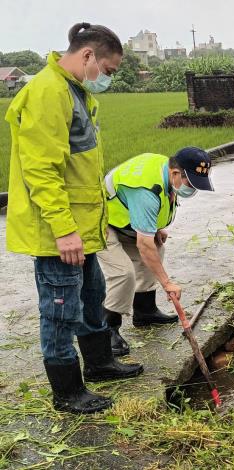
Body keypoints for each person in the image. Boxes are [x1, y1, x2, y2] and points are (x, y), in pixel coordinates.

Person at [4, 23, 143, 414]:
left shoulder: (75, 91)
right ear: (87, 56)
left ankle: (99, 364)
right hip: (57, 234)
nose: (109, 79)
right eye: (110, 70)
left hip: (82, 230)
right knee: (60, 311)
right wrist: (64, 230)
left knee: (92, 297)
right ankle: (67, 391)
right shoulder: (48, 92)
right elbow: (42, 171)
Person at [97, 147, 215, 355]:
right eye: (191, 184)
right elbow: (143, 244)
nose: (193, 190)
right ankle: (107, 331)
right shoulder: (145, 190)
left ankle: (145, 311)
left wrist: (155, 227)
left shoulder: (166, 170)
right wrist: (167, 283)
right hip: (101, 221)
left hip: (126, 218)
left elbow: (151, 210)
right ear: (176, 173)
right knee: (123, 273)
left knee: (156, 250)